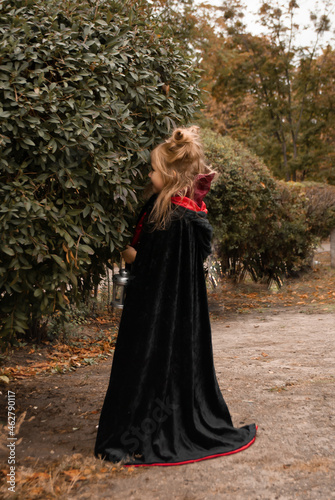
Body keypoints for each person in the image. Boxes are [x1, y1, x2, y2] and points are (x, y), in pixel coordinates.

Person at [94, 126, 256, 467]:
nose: (149, 175)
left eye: (152, 170)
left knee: (148, 368)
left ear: (167, 175)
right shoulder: (182, 212)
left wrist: (121, 250)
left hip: (153, 318)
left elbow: (147, 266)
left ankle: (142, 429)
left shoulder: (168, 217)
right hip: (180, 315)